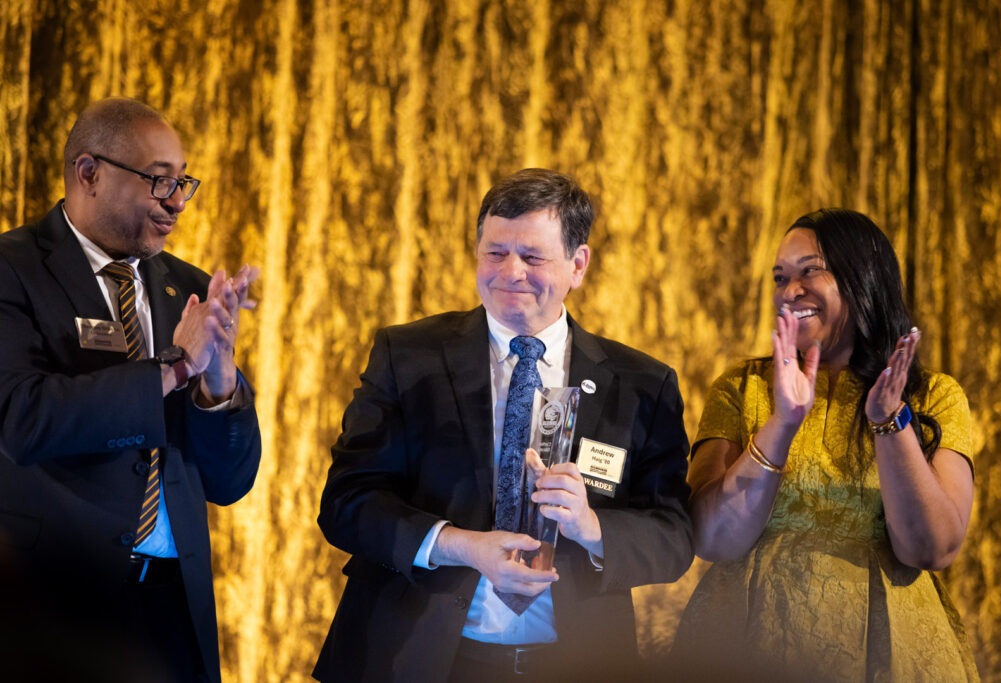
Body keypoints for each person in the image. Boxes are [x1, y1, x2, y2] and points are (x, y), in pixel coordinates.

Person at [315, 168, 693, 682]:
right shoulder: (408, 356)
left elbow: (673, 537)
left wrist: (592, 526)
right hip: (416, 659)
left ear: (578, 265)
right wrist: (459, 544)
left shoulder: (643, 384)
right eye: (494, 253)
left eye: (533, 257)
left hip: (575, 665)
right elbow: (346, 503)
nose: (510, 272)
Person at [0, 97, 261, 683]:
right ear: (88, 173)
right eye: (158, 181)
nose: (175, 202)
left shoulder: (189, 290)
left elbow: (228, 482)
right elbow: (23, 419)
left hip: (171, 606)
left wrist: (218, 385)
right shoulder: (13, 269)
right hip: (51, 603)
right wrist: (172, 367)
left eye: (183, 182)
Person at [670, 208, 978, 681]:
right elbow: (711, 539)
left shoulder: (933, 395)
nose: (790, 291)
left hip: (891, 653)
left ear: (862, 278)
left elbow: (931, 550)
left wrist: (888, 421)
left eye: (810, 270)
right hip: (746, 646)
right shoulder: (742, 387)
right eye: (780, 277)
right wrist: (783, 422)